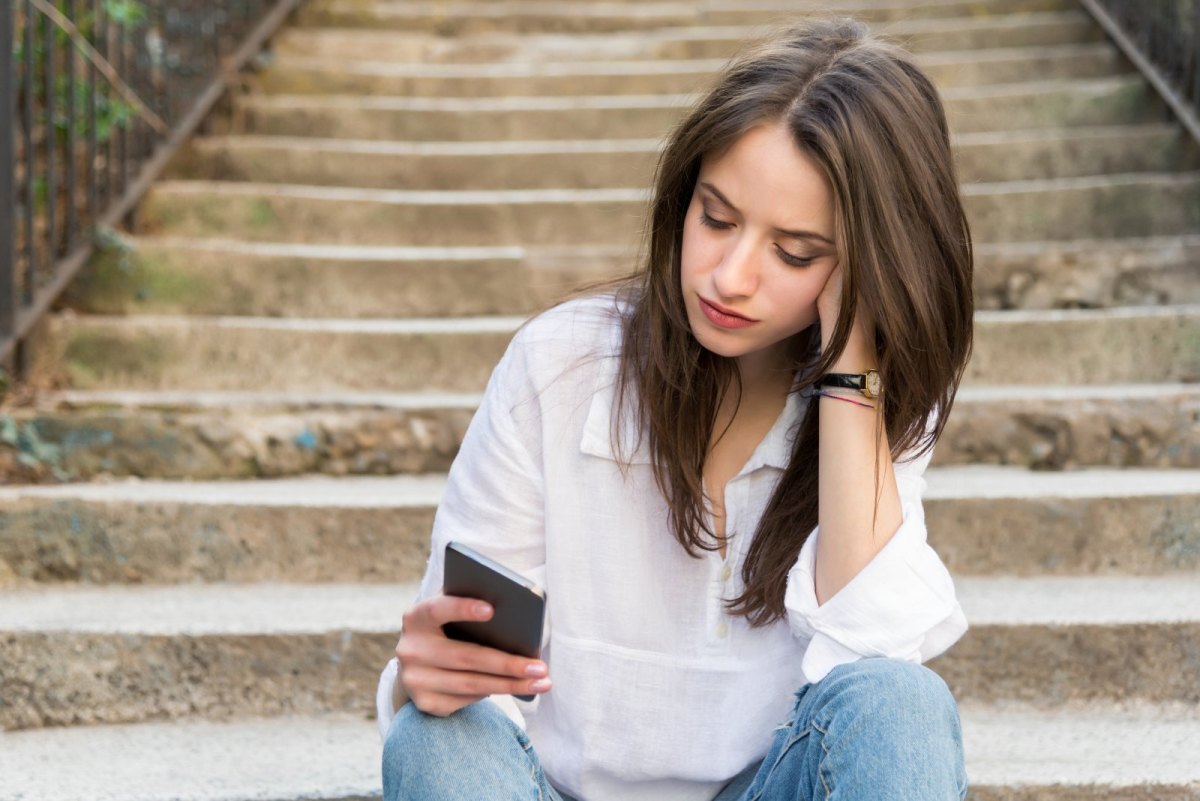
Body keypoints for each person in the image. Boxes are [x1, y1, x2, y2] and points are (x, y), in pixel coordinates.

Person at [377, 15, 974, 801]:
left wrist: (851, 372)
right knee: (438, 734)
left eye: (794, 252)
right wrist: (433, 670)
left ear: (869, 266)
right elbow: (478, 677)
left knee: (901, 702)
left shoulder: (868, 406)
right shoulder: (559, 367)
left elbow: (872, 652)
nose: (729, 275)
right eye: (716, 217)